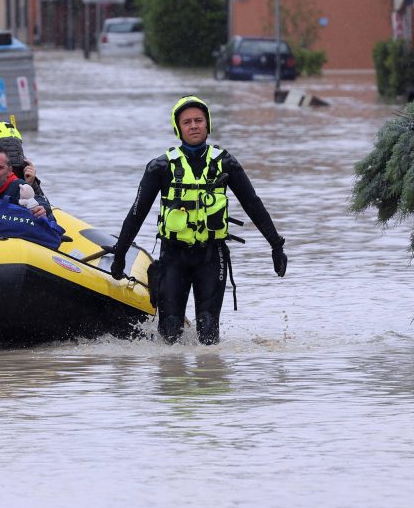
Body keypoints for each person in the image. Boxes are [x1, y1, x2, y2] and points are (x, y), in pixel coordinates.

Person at [108, 95, 287, 345]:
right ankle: (171, 380)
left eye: (199, 120)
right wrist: (120, 254)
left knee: (208, 332)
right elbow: (136, 213)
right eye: (187, 122)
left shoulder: (226, 163)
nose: (194, 125)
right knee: (169, 332)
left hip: (211, 257)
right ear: (178, 128)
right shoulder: (159, 167)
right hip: (173, 257)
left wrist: (275, 244)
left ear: (208, 125)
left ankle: (210, 379)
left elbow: (253, 204)